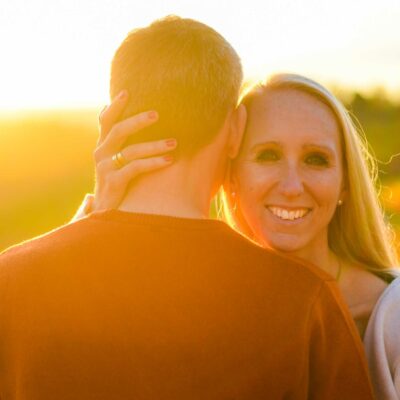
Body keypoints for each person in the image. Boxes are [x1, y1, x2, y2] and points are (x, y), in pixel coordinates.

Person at [0, 17, 374, 399]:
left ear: (117, 118)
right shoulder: (305, 303)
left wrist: (94, 218)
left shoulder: (10, 280)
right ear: (236, 129)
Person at [77, 73, 400, 398]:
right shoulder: (202, 313)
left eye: (316, 159)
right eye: (267, 155)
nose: (291, 186)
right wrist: (103, 216)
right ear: (231, 177)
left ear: (345, 182)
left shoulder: (393, 317)